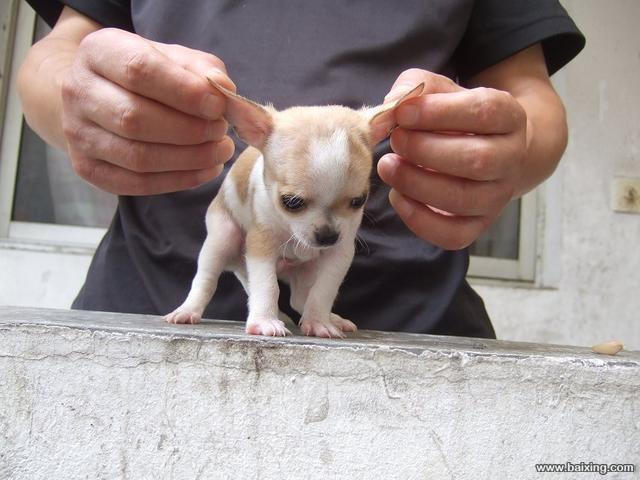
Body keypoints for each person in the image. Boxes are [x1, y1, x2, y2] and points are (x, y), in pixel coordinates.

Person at [18, 1, 584, 338]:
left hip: (414, 326)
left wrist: (509, 148)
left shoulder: (347, 190)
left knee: (330, 244)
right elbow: (60, 49)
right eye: (297, 203)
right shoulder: (254, 159)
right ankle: (204, 300)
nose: (325, 224)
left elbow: (531, 95)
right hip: (141, 299)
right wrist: (76, 96)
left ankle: (315, 310)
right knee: (226, 251)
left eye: (355, 200)